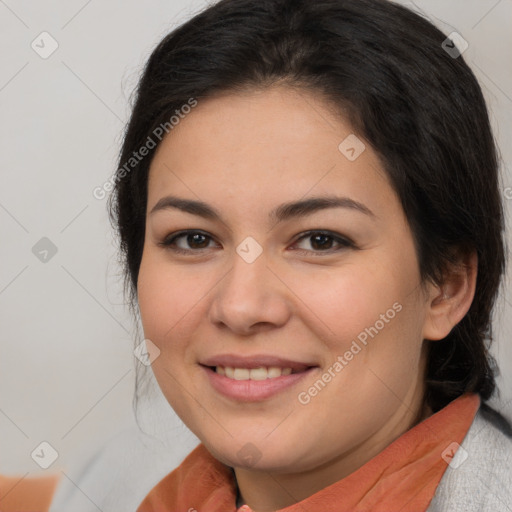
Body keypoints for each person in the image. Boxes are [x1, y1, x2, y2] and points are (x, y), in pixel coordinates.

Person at [2, 0, 510, 510]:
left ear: (445, 285)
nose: (241, 307)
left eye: (319, 240)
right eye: (193, 239)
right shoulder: (128, 468)